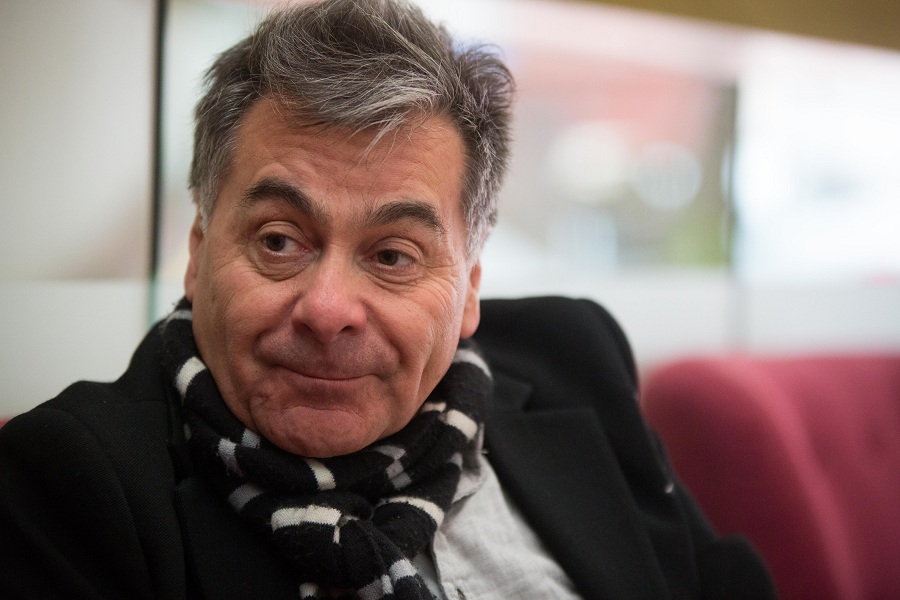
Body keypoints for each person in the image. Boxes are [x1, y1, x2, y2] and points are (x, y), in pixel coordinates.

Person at [0, 1, 777, 598]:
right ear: (199, 254)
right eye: (279, 241)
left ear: (469, 288)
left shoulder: (574, 357)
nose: (328, 308)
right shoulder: (71, 483)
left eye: (393, 255)